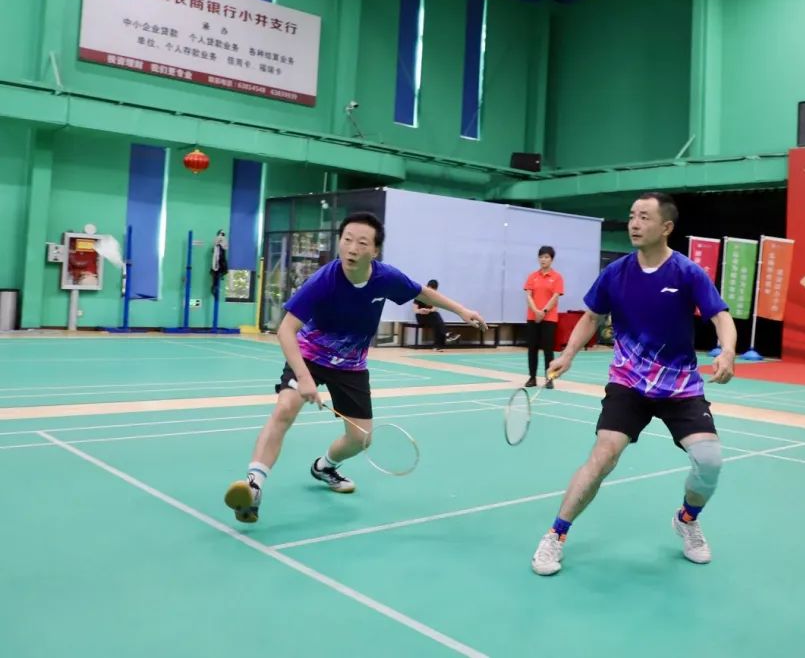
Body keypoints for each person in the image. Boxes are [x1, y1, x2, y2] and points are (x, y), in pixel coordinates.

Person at [224, 212, 486, 524]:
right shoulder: (323, 280)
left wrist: (462, 310)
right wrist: (304, 378)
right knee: (285, 409)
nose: (352, 248)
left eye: (362, 243)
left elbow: (421, 292)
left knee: (361, 438)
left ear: (375, 251)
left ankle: (324, 467)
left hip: (351, 365)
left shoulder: (386, 278)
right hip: (310, 355)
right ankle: (253, 487)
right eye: (347, 240)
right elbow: (285, 330)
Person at [530, 192, 736, 576]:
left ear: (666, 227)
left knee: (709, 461)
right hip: (628, 382)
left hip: (679, 386)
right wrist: (568, 354)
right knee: (603, 456)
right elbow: (591, 317)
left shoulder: (687, 272)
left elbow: (720, 316)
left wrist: (727, 351)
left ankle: (687, 519)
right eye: (631, 216)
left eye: (644, 217)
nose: (634, 224)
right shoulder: (616, 272)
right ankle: (556, 534)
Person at [523, 245, 564, 390]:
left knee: (548, 350)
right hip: (533, 317)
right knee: (532, 349)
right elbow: (528, 295)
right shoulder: (532, 276)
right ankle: (532, 378)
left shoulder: (557, 277)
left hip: (549, 318)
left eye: (546, 257)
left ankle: (549, 378)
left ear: (551, 259)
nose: (543, 260)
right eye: (541, 257)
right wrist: (536, 311)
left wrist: (544, 311)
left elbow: (555, 296)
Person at [413, 279, 460, 351]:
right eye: (430, 289)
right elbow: (415, 310)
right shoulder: (420, 295)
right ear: (427, 287)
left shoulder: (435, 297)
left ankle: (438, 345)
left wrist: (429, 310)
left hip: (431, 316)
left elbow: (435, 308)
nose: (431, 291)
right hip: (421, 317)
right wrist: (421, 310)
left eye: (433, 290)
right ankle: (445, 335)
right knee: (436, 319)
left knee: (436, 321)